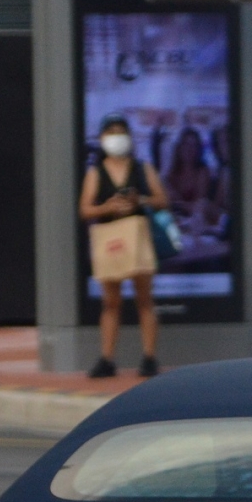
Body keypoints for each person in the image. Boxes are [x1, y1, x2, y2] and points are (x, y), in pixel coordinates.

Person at [77, 113, 167, 380]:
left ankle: (149, 356)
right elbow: (85, 209)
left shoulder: (142, 168)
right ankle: (107, 357)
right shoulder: (95, 173)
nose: (116, 138)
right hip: (110, 238)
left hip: (136, 237)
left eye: (121, 132)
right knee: (111, 301)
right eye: (111, 132)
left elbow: (162, 199)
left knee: (144, 299)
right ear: (103, 138)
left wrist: (140, 200)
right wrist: (108, 206)